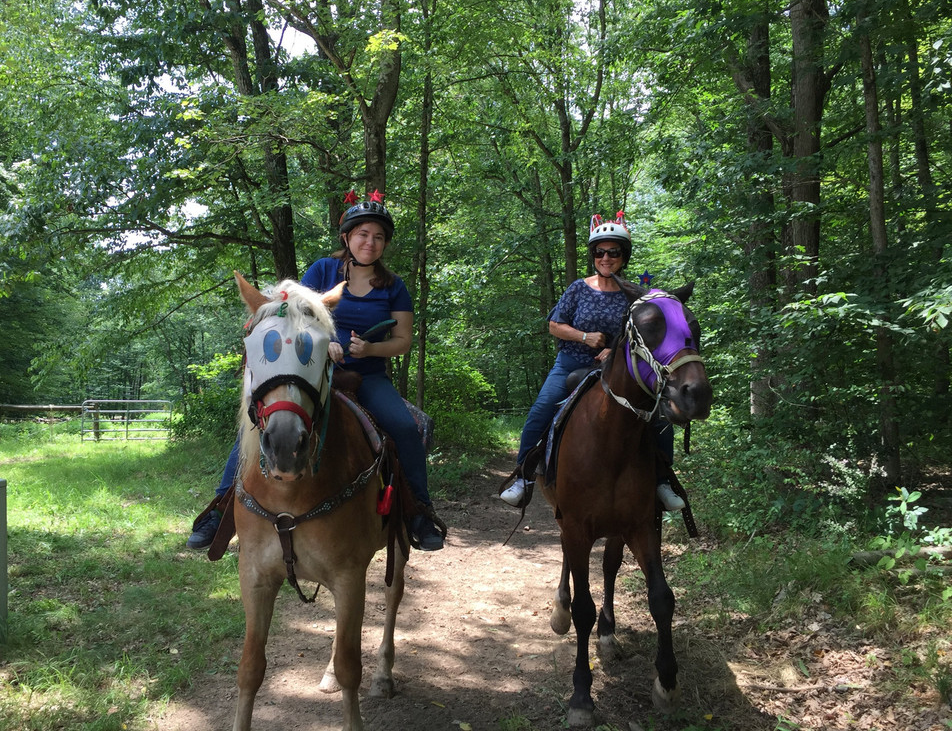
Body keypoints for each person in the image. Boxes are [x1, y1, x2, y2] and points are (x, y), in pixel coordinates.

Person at [188, 191, 445, 552]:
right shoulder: (323, 270)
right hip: (315, 370)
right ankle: (220, 509)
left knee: (404, 427)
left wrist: (370, 349)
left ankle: (419, 510)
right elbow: (296, 313)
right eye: (362, 234)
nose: (370, 242)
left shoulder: (394, 287)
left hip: (368, 377)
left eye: (378, 236)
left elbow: (402, 340)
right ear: (347, 237)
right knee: (256, 424)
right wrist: (328, 340)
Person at [499, 212, 685, 512]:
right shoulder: (578, 288)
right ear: (593, 255)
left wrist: (615, 351)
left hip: (620, 370)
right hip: (571, 363)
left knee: (658, 416)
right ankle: (523, 478)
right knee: (540, 411)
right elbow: (554, 325)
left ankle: (662, 481)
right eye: (600, 252)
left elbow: (644, 336)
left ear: (623, 257)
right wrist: (585, 337)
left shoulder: (634, 296)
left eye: (613, 252)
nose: (606, 258)